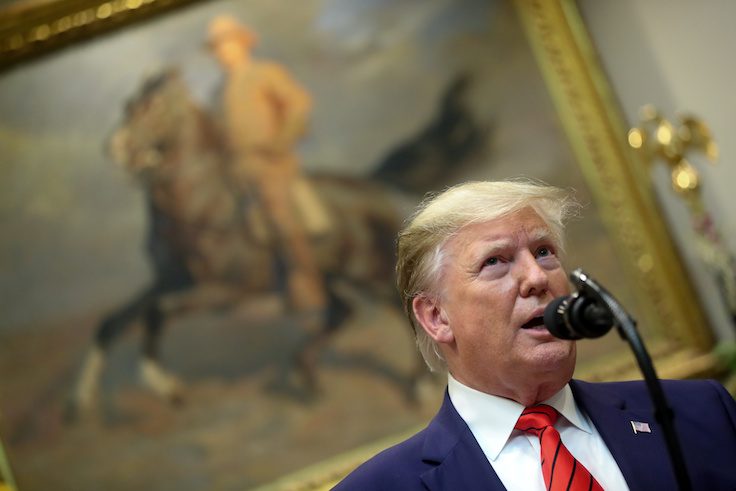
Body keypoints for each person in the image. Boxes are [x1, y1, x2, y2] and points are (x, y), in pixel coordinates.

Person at [333, 179, 736, 490]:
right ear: (436, 317)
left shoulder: (700, 413)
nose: (537, 277)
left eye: (544, 252)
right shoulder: (380, 487)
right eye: (495, 261)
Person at [207, 15, 330, 321]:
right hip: (237, 170)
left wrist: (281, 140)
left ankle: (309, 287)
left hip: (271, 163)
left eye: (228, 44)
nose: (223, 51)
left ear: (243, 44)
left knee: (279, 215)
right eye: (218, 47)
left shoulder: (265, 73)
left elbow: (298, 104)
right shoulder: (218, 92)